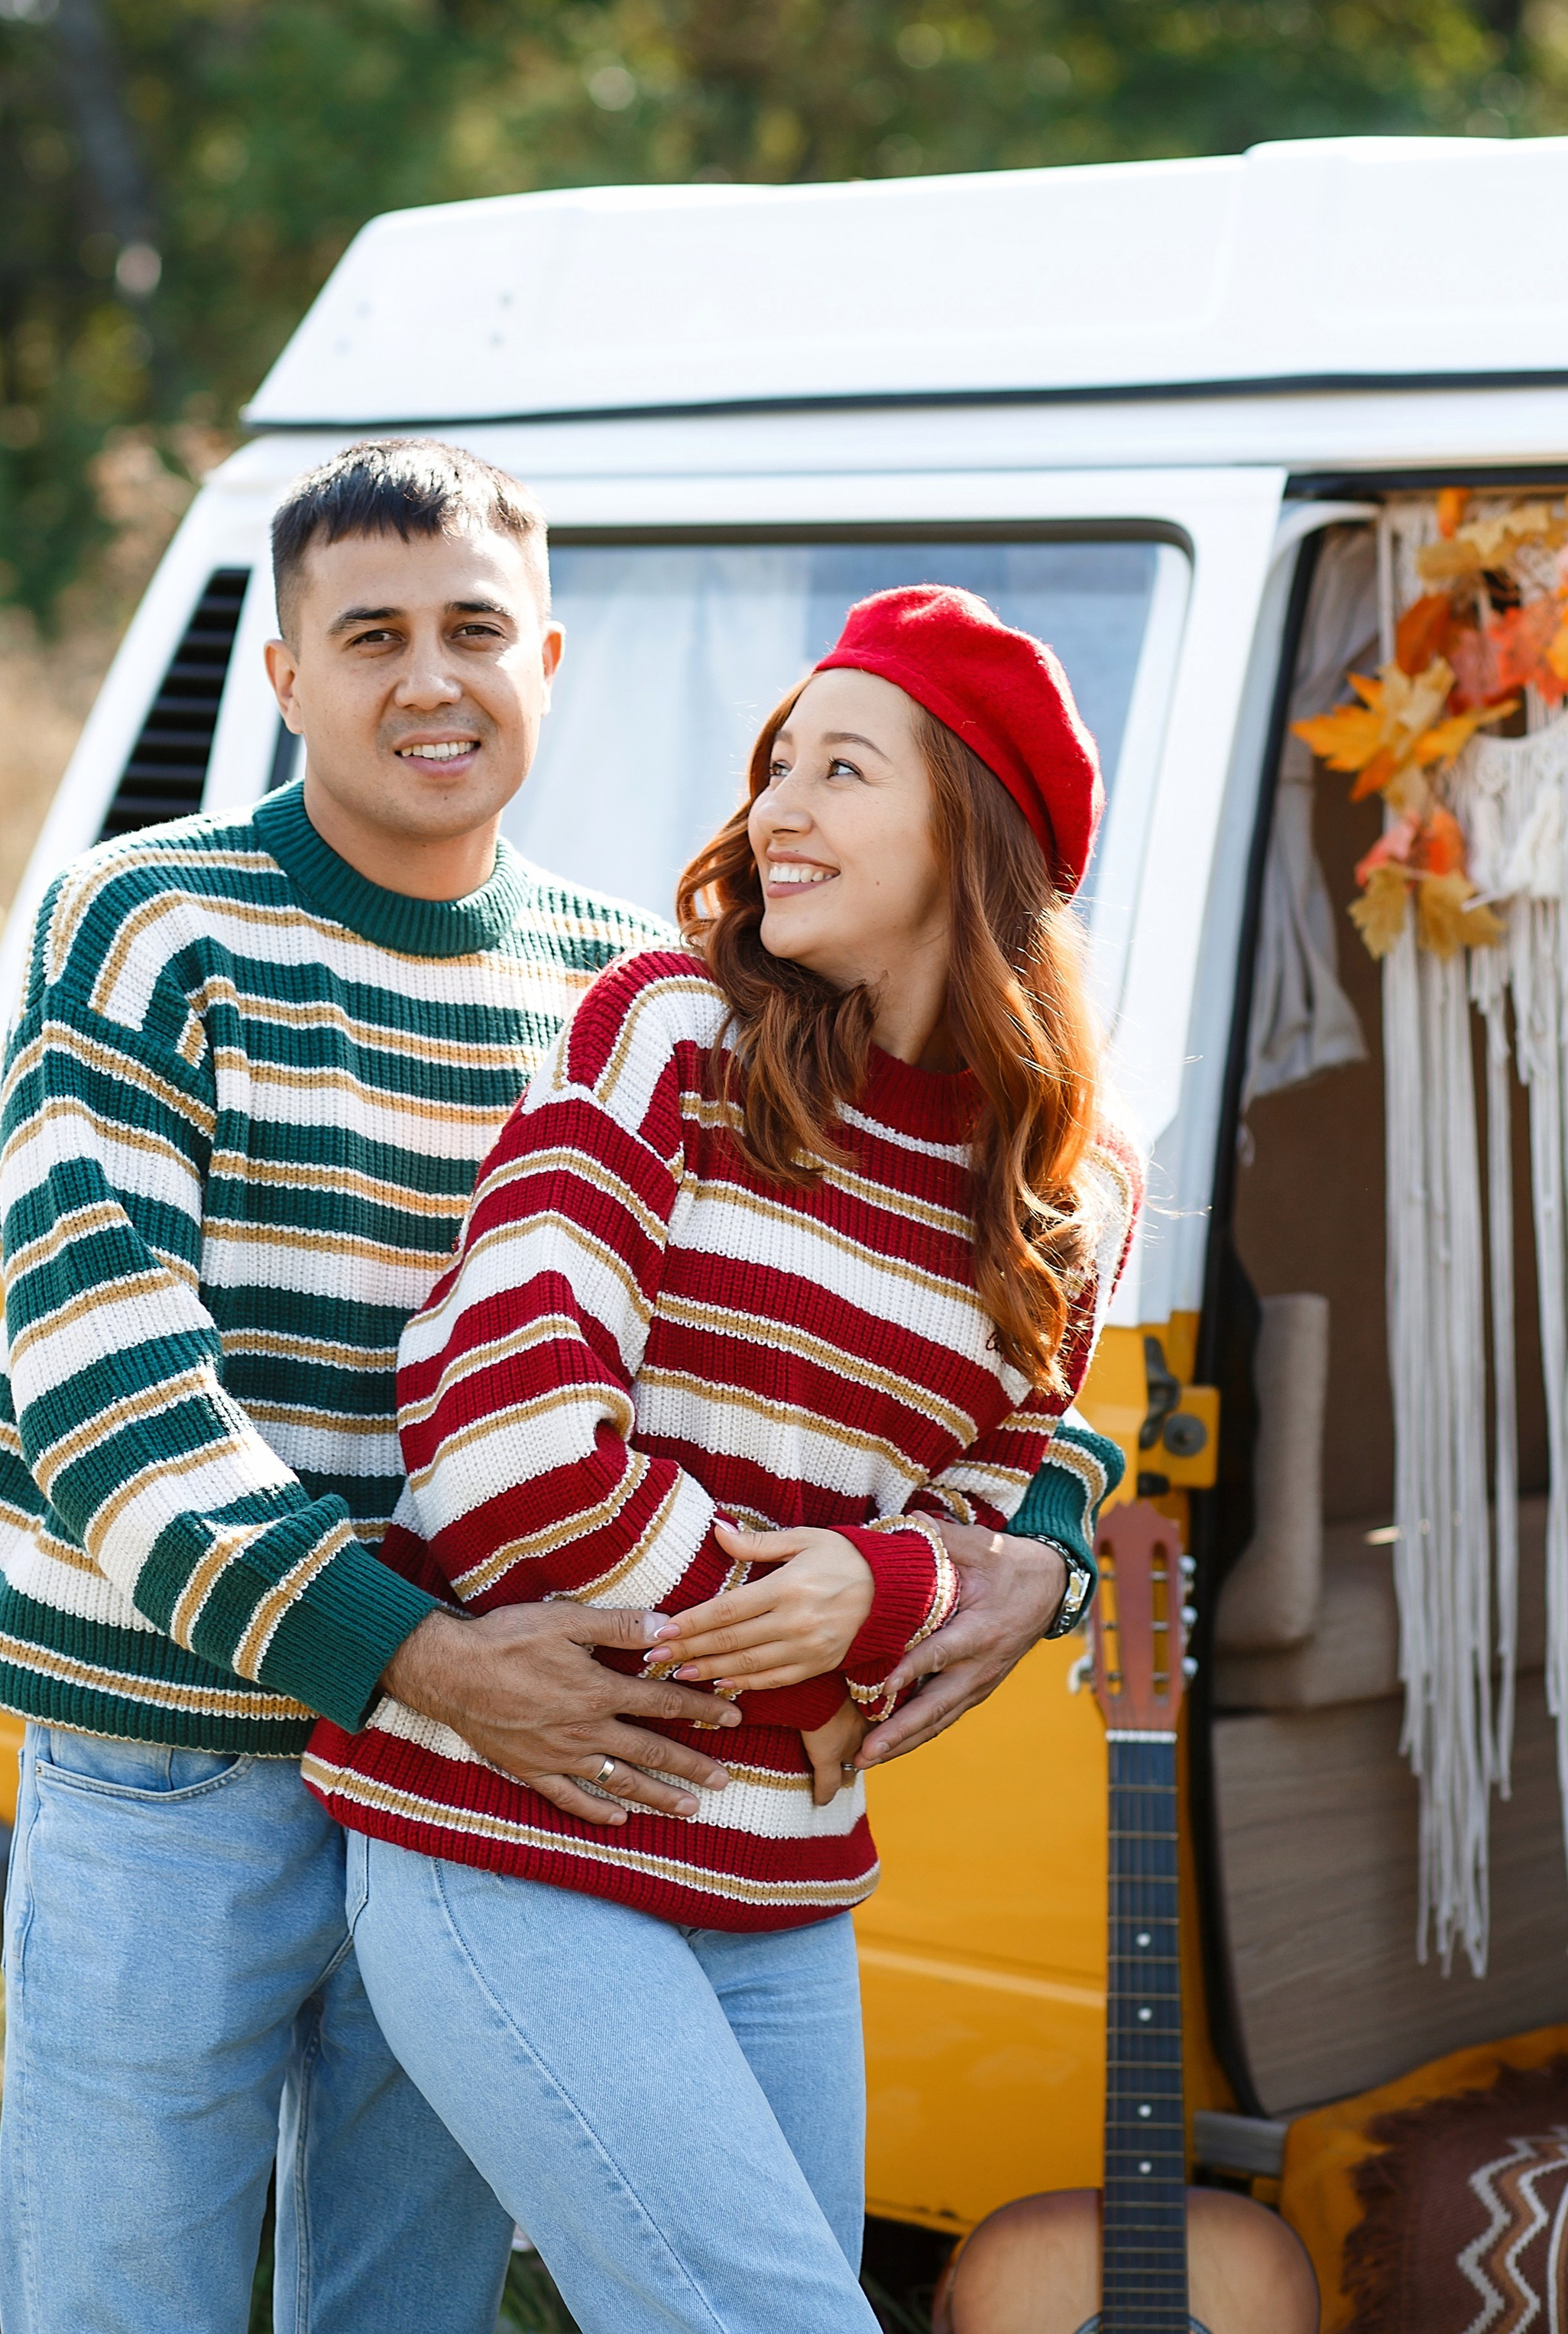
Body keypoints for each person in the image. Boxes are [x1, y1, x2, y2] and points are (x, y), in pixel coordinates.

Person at [0, 449, 1094, 2334]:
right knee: (122, 2298)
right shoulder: (146, 926)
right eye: (372, 635)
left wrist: (1039, 1536)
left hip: (511, 1758)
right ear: (284, 674)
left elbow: (882, 1331)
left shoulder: (631, 982)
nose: (431, 680)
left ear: (548, 659)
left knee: (401, 2308)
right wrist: (412, 1655)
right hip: (188, 1747)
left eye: (474, 630)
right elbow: (101, 1373)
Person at [304, 581, 1142, 2334]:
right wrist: (786, 1631)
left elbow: (975, 1543)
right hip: (511, 1828)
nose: (775, 808)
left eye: (842, 770)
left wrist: (882, 1581)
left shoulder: (1061, 1209)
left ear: (966, 831)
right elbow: (500, 1427)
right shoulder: (672, 1030)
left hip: (780, 1874)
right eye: (775, 763)